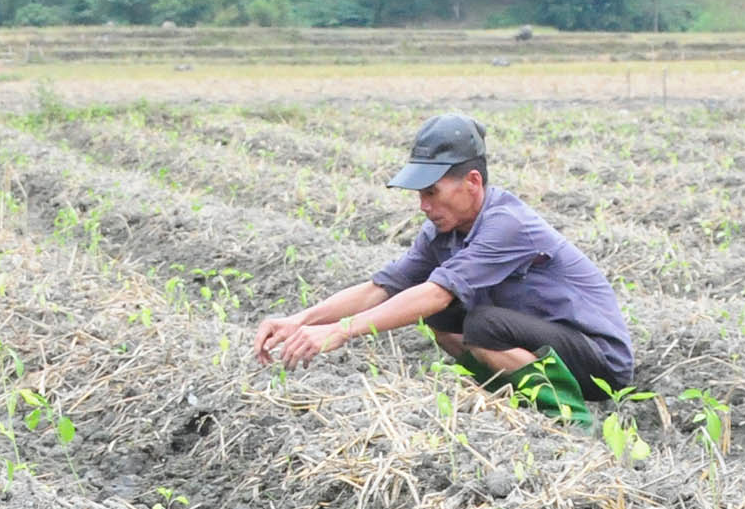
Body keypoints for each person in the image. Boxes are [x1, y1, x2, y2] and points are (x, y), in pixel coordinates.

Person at [255, 113, 636, 407]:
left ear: (473, 182)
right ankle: (509, 395)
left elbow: (436, 292)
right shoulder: (443, 231)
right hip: (539, 343)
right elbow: (382, 289)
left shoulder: (508, 224)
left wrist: (341, 331)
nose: (423, 205)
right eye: (420, 194)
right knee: (442, 318)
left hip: (598, 362)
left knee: (481, 323)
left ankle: (565, 413)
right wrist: (302, 320)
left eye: (432, 192)